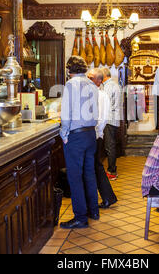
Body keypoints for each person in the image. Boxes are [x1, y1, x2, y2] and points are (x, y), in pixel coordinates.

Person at [59, 56, 100, 229]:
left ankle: (80, 217)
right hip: (90, 134)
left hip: (76, 136)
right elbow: (96, 111)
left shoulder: (71, 84)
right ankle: (93, 210)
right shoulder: (92, 85)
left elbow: (66, 112)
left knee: (75, 177)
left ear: (69, 70)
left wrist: (64, 133)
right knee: (89, 173)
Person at [87, 68, 118, 209]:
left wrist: (96, 132)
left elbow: (102, 118)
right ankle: (108, 197)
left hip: (94, 135)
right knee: (96, 167)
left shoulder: (100, 95)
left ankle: (105, 198)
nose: (87, 79)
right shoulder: (92, 94)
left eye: (89, 77)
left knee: (94, 167)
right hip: (95, 134)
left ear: (98, 80)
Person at [101, 67, 122, 181]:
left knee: (110, 146)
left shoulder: (109, 86)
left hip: (109, 119)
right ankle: (112, 169)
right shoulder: (113, 84)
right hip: (113, 118)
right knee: (110, 145)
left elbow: (106, 104)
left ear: (104, 76)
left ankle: (112, 171)